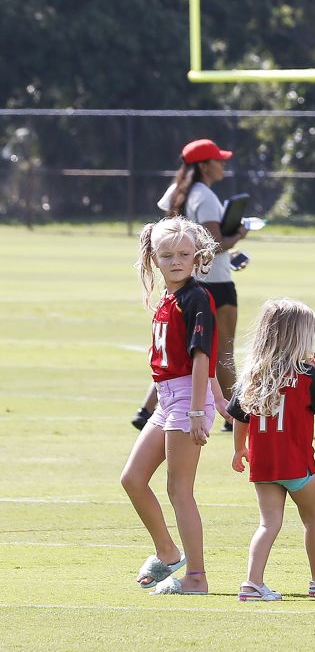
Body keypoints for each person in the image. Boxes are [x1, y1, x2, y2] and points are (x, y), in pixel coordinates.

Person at [121, 217, 229, 595]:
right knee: (132, 479)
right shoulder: (168, 297)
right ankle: (168, 553)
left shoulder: (197, 296)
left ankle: (196, 577)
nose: (176, 261)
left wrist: (202, 408)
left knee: (179, 489)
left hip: (186, 398)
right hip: (169, 398)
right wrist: (216, 398)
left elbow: (202, 358)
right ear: (154, 257)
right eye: (166, 255)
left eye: (184, 254)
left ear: (197, 256)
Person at [228, 298, 315, 601]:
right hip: (297, 463)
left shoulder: (253, 375)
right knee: (313, 517)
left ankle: (252, 583)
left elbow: (239, 415)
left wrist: (239, 450)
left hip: (264, 465)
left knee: (268, 523)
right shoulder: (306, 376)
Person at [156, 138, 248, 431]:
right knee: (223, 351)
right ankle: (234, 416)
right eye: (218, 161)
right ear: (205, 166)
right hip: (216, 282)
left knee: (185, 350)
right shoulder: (205, 196)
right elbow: (214, 243)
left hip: (184, 281)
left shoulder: (176, 192)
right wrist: (239, 236)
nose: (222, 165)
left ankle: (150, 409)